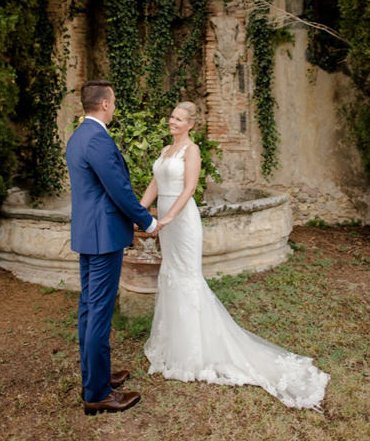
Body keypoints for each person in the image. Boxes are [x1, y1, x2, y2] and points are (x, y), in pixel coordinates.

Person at [139, 101, 330, 411]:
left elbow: (188, 189)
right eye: (171, 116)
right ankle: (172, 345)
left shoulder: (192, 151)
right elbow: (155, 183)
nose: (172, 121)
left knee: (187, 278)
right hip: (163, 221)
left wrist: (169, 218)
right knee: (170, 275)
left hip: (181, 220)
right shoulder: (165, 150)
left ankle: (194, 352)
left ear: (190, 124)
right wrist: (140, 211)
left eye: (178, 118)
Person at [66, 79, 159, 415]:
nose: (115, 105)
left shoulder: (78, 137)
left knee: (90, 308)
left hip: (88, 234)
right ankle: (98, 394)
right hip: (103, 237)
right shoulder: (97, 139)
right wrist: (146, 221)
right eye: (114, 100)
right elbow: (118, 188)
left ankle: (96, 377)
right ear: (104, 104)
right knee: (99, 312)